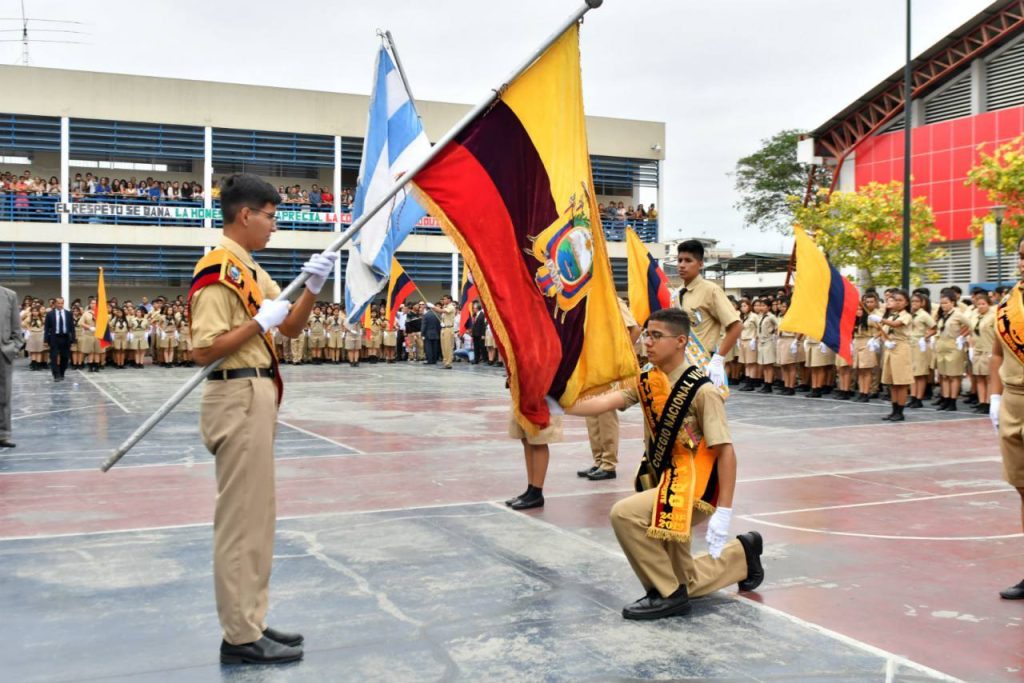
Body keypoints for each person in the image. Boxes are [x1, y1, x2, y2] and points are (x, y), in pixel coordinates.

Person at [189, 173, 336, 665]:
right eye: (270, 217)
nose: (274, 226)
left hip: (256, 392)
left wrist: (313, 288)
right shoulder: (217, 270)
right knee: (240, 521)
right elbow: (202, 349)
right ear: (246, 214)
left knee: (259, 519)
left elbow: (289, 326)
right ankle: (239, 635)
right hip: (235, 394)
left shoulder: (249, 269)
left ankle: (250, 618)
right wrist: (258, 323)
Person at [564, 308, 763, 619]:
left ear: (681, 341)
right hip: (665, 479)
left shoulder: (703, 391)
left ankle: (667, 595)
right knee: (683, 576)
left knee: (625, 514)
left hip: (697, 487)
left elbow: (726, 451)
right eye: (646, 334)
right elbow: (603, 403)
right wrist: (556, 401)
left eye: (656, 336)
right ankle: (742, 555)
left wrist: (724, 511)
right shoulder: (647, 380)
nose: (647, 342)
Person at [990, 236, 1024, 599]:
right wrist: (995, 397)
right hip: (1015, 400)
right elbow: (997, 354)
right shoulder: (1007, 305)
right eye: (1021, 256)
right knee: (1022, 488)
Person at [579, 299, 641, 481]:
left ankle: (608, 464)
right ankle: (598, 460)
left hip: (607, 365)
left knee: (605, 414)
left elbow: (634, 328)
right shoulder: (583, 299)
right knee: (591, 414)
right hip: (589, 364)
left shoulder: (610, 298)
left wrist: (620, 357)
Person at [673, 240, 740, 391]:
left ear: (701, 264)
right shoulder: (677, 293)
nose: (682, 265)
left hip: (703, 361)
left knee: (707, 410)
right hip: (681, 362)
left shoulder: (711, 290)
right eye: (679, 260)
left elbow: (736, 325)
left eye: (688, 260)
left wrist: (718, 359)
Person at [872, 289, 913, 421]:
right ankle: (894, 410)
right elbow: (884, 333)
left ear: (906, 303)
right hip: (890, 349)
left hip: (901, 349)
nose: (897, 302)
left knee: (900, 383)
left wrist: (881, 319)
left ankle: (900, 411)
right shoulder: (891, 316)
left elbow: (896, 324)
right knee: (892, 383)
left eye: (901, 300)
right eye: (895, 300)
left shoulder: (906, 315)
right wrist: (883, 341)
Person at [0, 285, 23, 448]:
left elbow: (17, 328)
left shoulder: (9, 295)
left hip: (2, 353)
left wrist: (13, 348)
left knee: (3, 396)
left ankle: (3, 434)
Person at [44, 297, 75, 382]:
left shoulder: (68, 313)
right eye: (58, 303)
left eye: (62, 303)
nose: (60, 305)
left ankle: (61, 372)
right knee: (54, 357)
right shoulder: (50, 314)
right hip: (54, 338)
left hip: (65, 338)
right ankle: (56, 375)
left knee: (65, 357)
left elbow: (72, 328)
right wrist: (46, 340)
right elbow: (46, 328)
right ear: (55, 304)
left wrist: (73, 339)